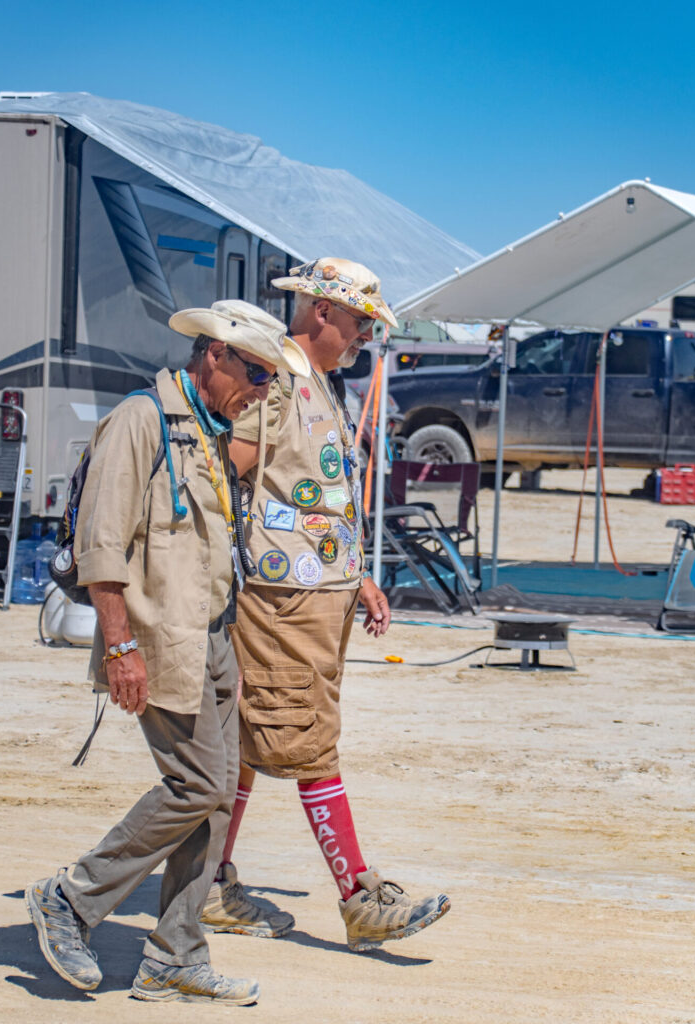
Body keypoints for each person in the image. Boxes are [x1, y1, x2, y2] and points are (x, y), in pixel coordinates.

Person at [24, 299, 310, 1005]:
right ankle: (72, 894)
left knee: (211, 805)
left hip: (210, 636)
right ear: (211, 354)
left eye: (271, 379)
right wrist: (119, 644)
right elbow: (101, 546)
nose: (261, 389)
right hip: (158, 639)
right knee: (201, 787)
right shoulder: (139, 420)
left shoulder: (210, 429)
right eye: (253, 371)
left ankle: (175, 957)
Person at [200, 259, 451, 952]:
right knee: (308, 739)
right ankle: (357, 896)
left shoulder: (316, 383)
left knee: (254, 739)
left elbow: (318, 490)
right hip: (283, 598)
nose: (365, 334)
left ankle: (211, 883)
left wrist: (356, 575)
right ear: (322, 315)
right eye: (359, 321)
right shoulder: (276, 379)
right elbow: (224, 477)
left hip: (314, 591)